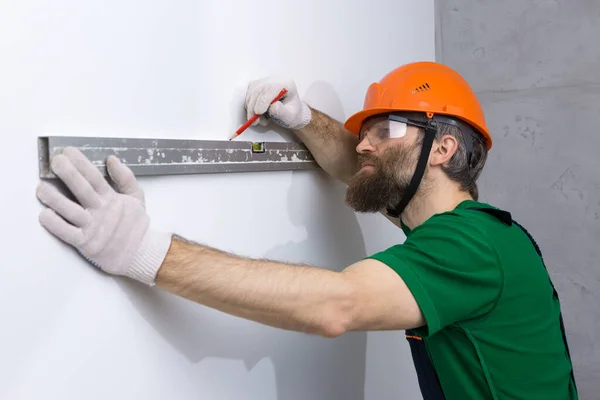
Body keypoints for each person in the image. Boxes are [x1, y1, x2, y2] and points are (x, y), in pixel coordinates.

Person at [36, 61, 578, 399]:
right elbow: (363, 169)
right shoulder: (455, 232)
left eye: (385, 129)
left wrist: (144, 252)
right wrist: (301, 118)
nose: (364, 143)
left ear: (443, 148)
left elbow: (335, 306)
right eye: (364, 131)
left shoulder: (472, 247)